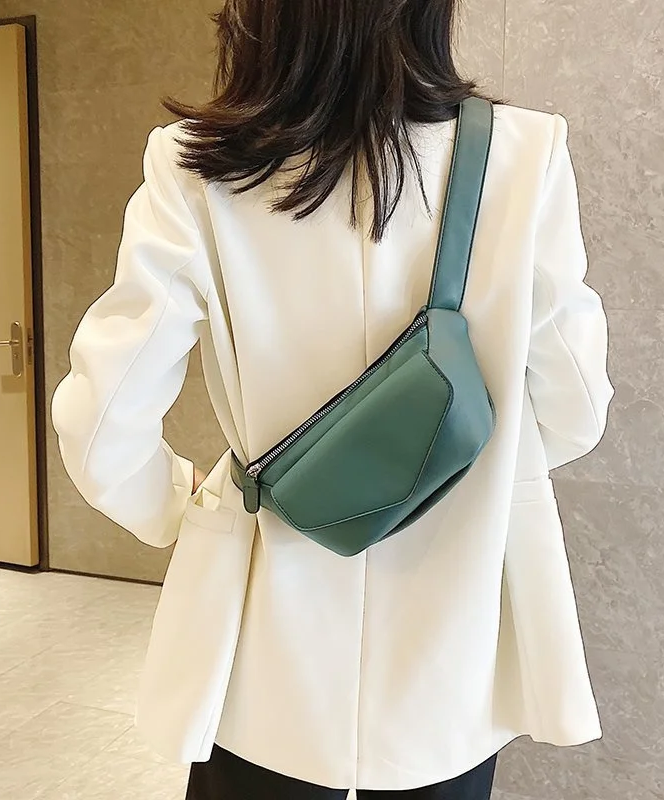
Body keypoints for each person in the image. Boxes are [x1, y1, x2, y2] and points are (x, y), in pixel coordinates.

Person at [51, 1, 614, 798]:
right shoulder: (523, 155)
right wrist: (459, 478)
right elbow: (575, 407)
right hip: (450, 654)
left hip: (265, 642)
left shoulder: (197, 165)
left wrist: (188, 507)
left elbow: (103, 427)